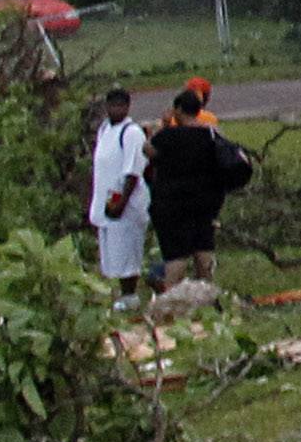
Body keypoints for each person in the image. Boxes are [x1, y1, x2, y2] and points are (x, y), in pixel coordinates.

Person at [143, 86, 239, 287]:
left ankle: (171, 298)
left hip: (173, 203)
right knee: (203, 248)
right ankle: (208, 293)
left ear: (178, 109)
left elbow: (148, 150)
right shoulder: (210, 135)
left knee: (176, 256)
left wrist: (163, 125)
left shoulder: (169, 136)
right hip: (205, 202)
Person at [86, 85, 153, 303]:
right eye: (112, 105)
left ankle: (130, 295)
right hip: (106, 200)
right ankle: (119, 297)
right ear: (106, 107)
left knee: (126, 253)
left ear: (127, 107)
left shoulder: (131, 132)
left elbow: (132, 172)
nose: (116, 109)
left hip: (125, 202)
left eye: (121, 105)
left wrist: (121, 202)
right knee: (111, 254)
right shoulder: (105, 129)